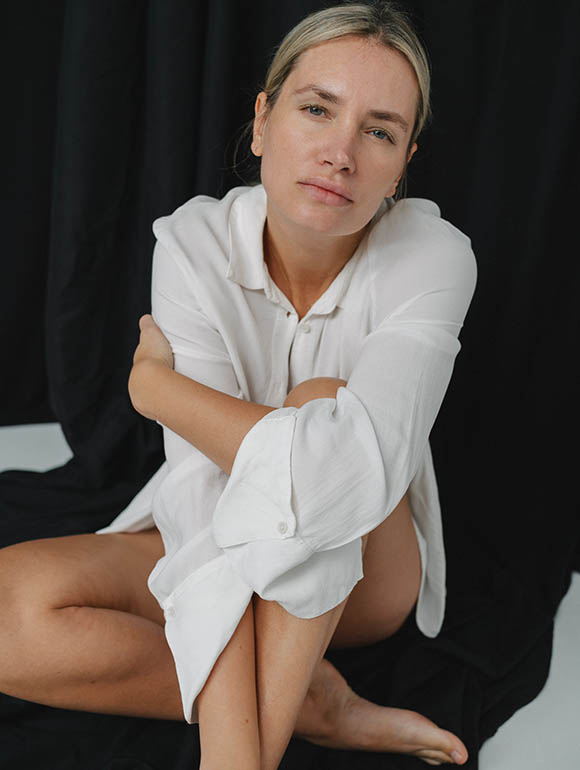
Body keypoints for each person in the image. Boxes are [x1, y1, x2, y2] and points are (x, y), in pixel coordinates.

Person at [0, 2, 477, 768]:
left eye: (379, 131)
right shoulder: (192, 244)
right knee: (8, 608)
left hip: (365, 574)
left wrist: (157, 394)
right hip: (214, 528)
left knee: (321, 407)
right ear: (261, 122)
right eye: (317, 109)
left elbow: (344, 478)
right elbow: (199, 500)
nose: (340, 153)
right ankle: (317, 701)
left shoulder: (435, 256)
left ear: (402, 164)